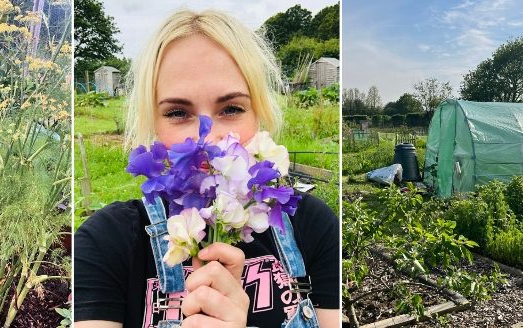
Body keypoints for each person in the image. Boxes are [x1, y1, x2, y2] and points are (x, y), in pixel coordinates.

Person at [73, 9, 340, 328]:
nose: (207, 140)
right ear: (154, 126)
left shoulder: (313, 226)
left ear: (259, 118)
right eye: (177, 113)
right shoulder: (105, 242)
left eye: (231, 109)